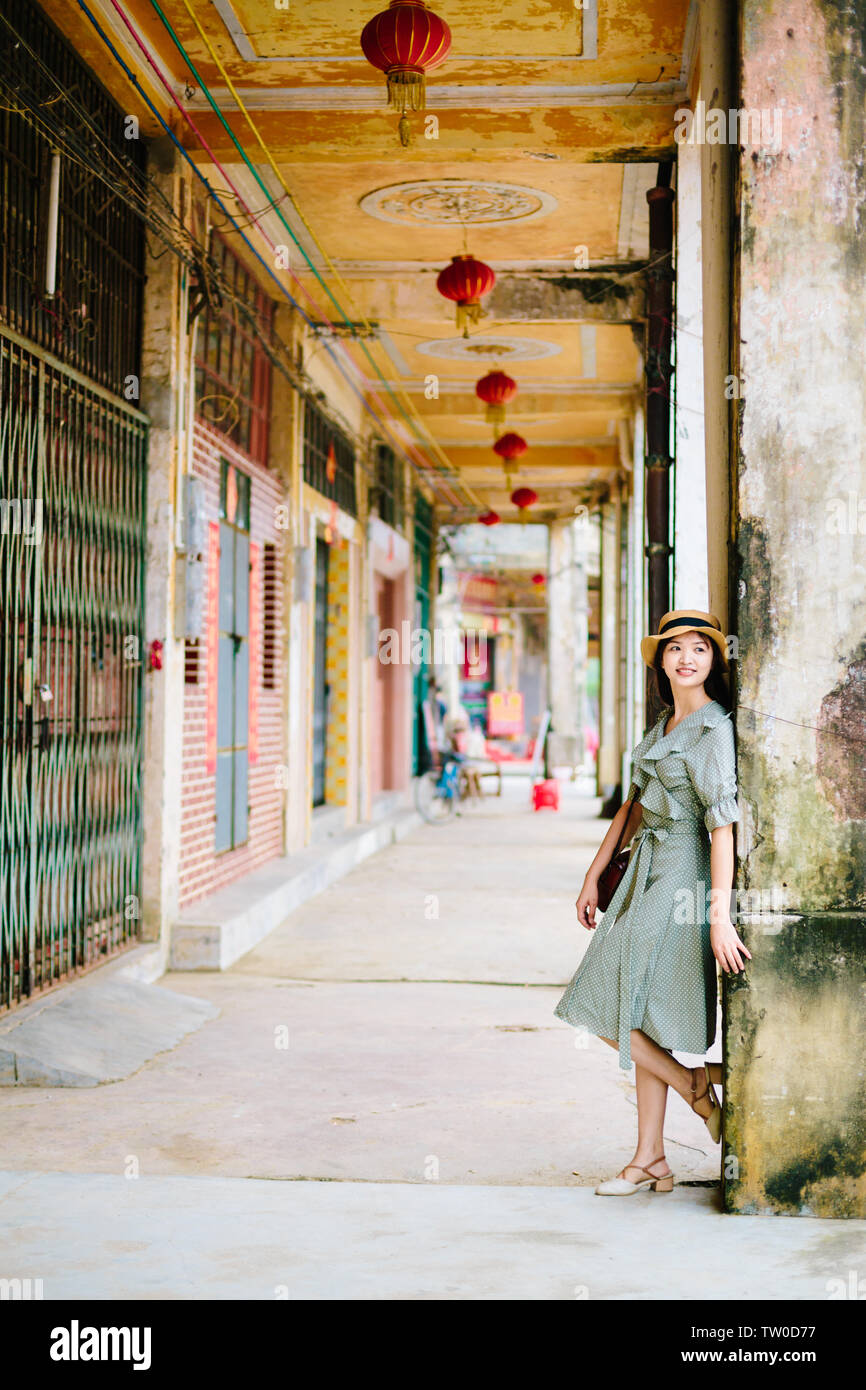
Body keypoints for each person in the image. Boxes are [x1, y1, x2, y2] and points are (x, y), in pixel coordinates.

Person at [554, 609, 751, 1196]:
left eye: (699, 649)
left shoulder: (714, 729)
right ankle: (651, 1157)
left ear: (714, 661)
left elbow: (723, 827)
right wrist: (593, 877)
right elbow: (630, 808)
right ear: (660, 661)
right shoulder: (665, 724)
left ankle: (695, 1092)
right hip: (643, 871)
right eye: (674, 649)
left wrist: (719, 917)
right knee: (632, 1012)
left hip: (681, 878)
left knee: (597, 1002)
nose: (686, 658)